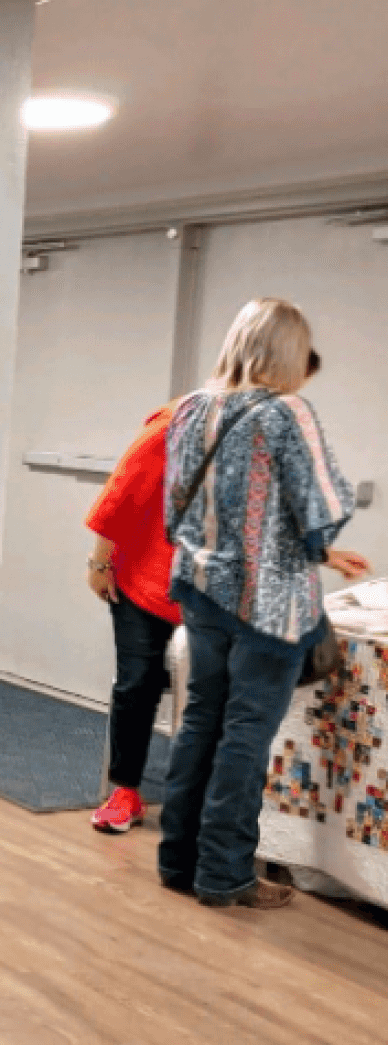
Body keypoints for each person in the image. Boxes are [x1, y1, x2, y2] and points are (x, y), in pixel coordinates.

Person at [159, 300, 368, 909]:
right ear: (289, 354)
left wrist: (315, 550)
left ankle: (178, 861)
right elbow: (322, 507)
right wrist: (322, 547)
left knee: (199, 722)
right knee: (246, 736)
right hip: (267, 604)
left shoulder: (192, 408)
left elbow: (181, 506)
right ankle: (224, 875)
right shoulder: (286, 412)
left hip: (201, 589)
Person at [83, 402, 183, 833]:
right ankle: (124, 791)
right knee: (138, 681)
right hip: (144, 577)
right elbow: (119, 496)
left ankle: (193, 799)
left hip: (206, 589)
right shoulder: (171, 427)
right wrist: (100, 563)